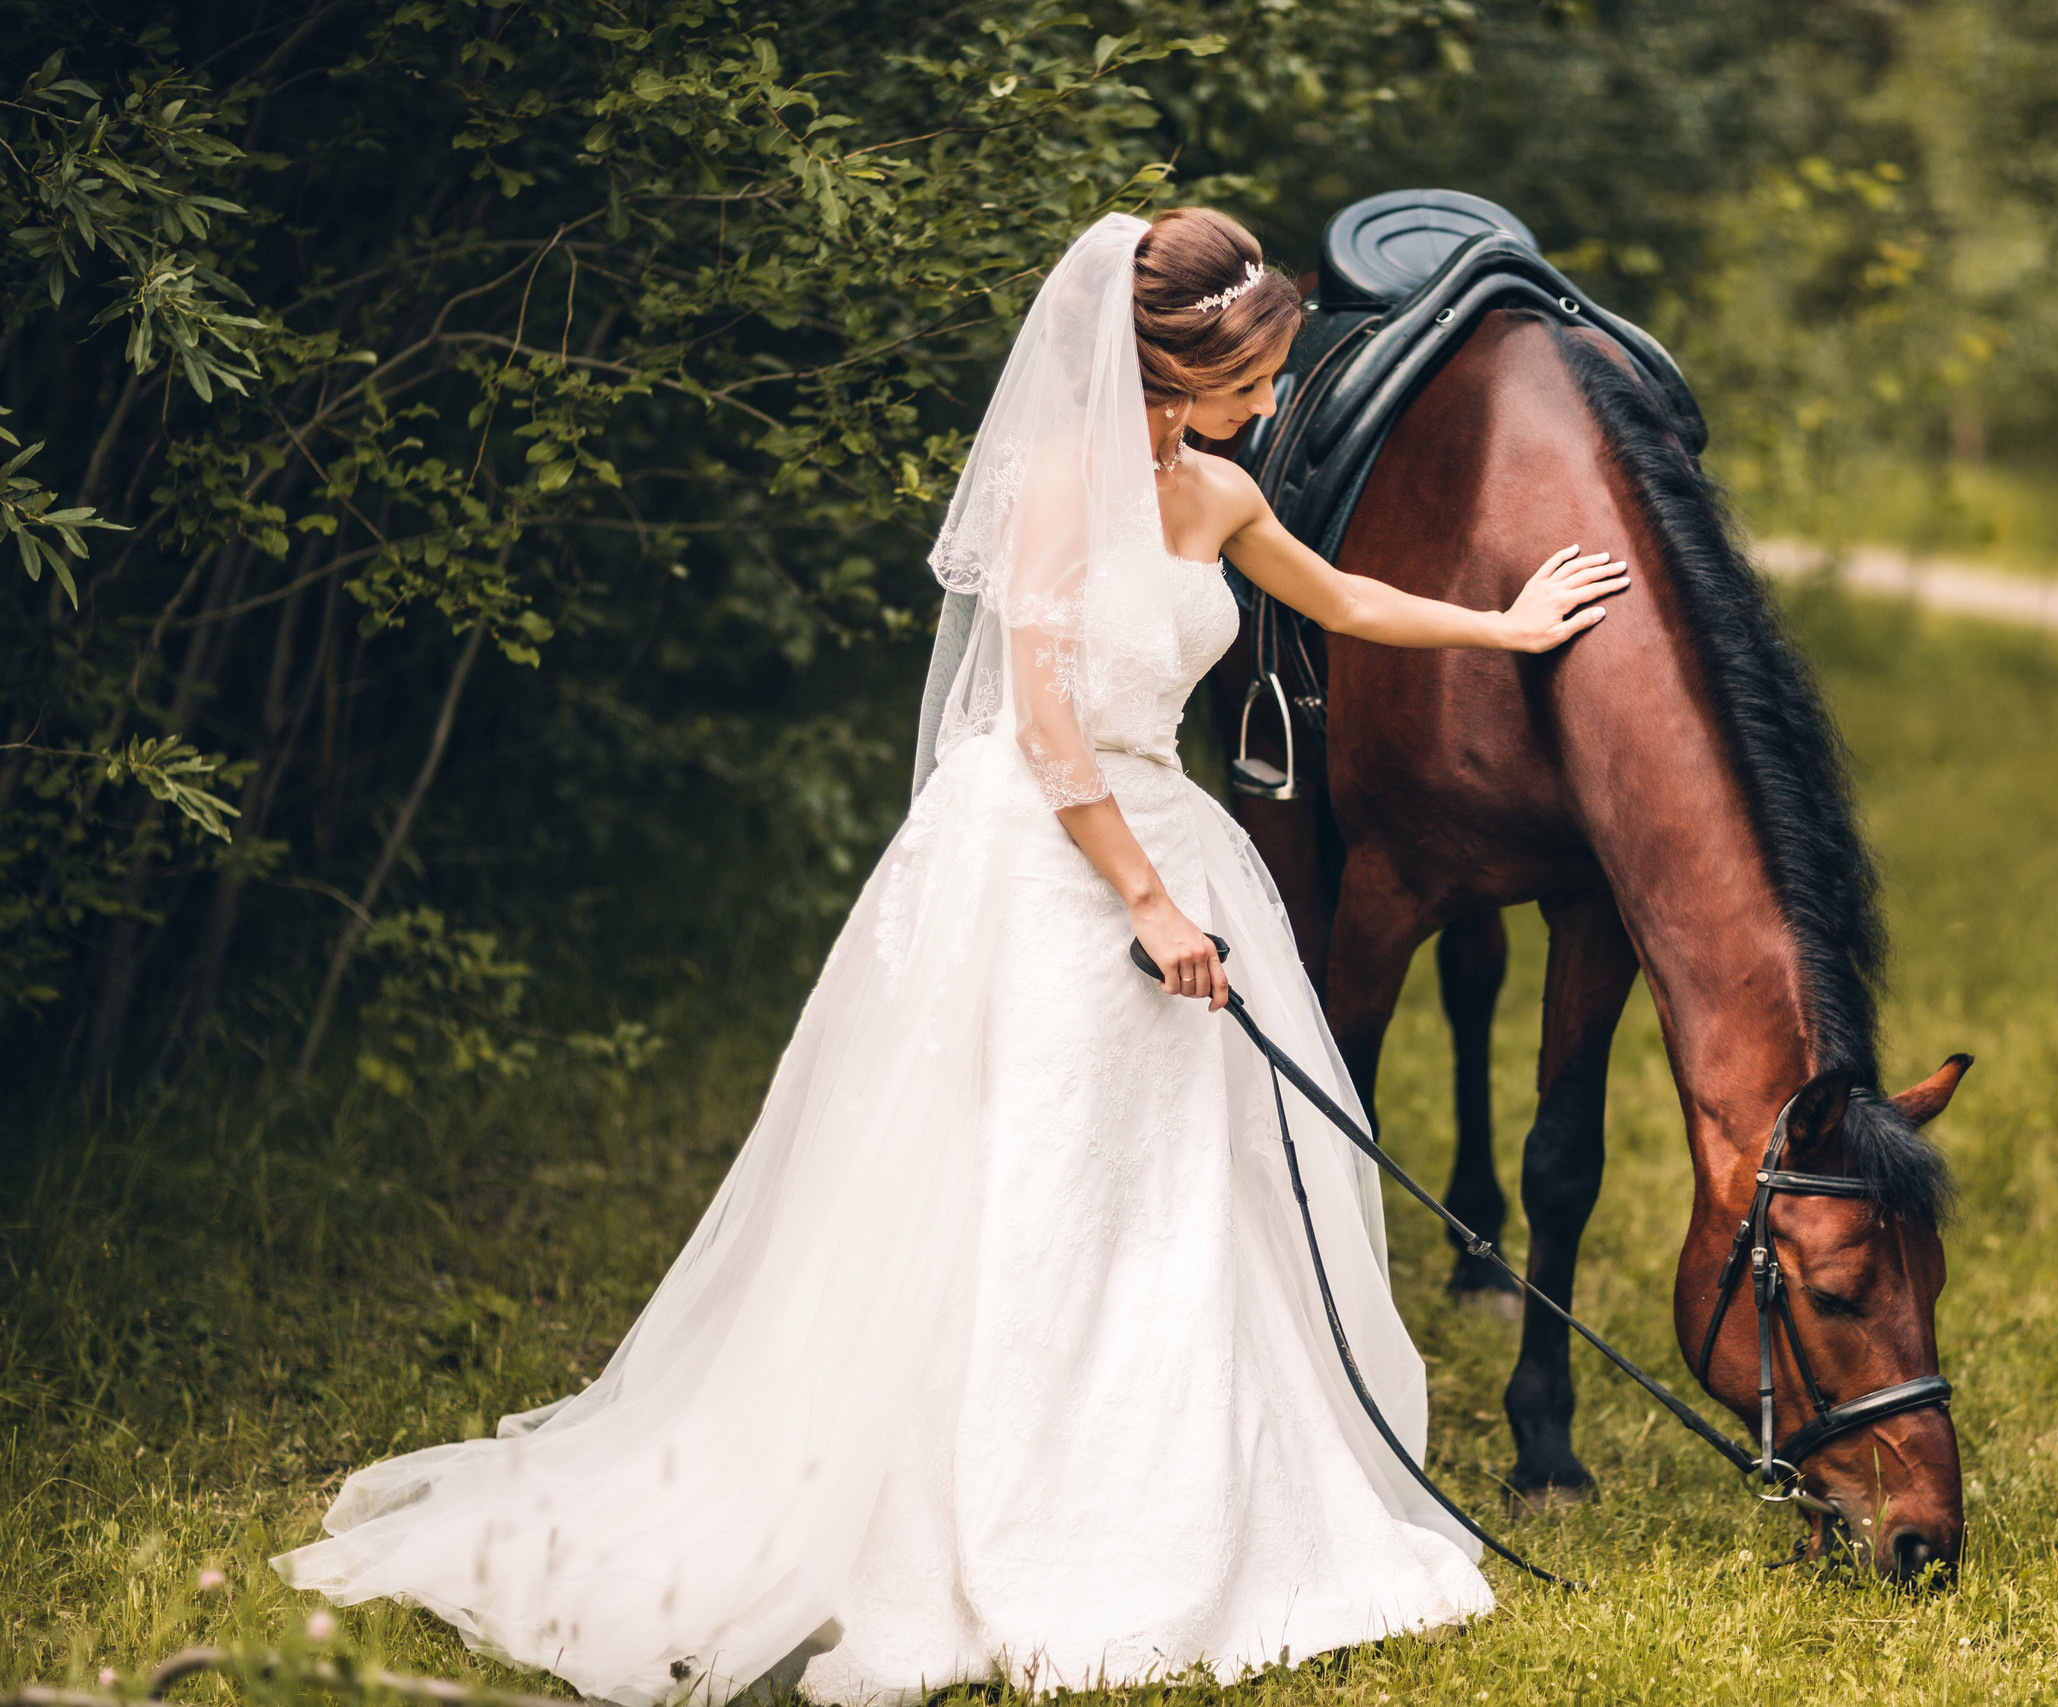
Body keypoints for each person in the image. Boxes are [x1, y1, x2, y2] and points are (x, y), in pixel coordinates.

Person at [272, 207, 1628, 1704]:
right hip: (1046, 856)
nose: (1269, 403)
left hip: (1167, 833)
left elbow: (1347, 600)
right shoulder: (1060, 490)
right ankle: (976, 1507)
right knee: (1025, 1171)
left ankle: (1176, 1488)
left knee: (1177, 1179)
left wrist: (1509, 628)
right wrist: (1145, 904)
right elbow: (1043, 724)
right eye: (1250, 379)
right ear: (1170, 370)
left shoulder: (1223, 491)